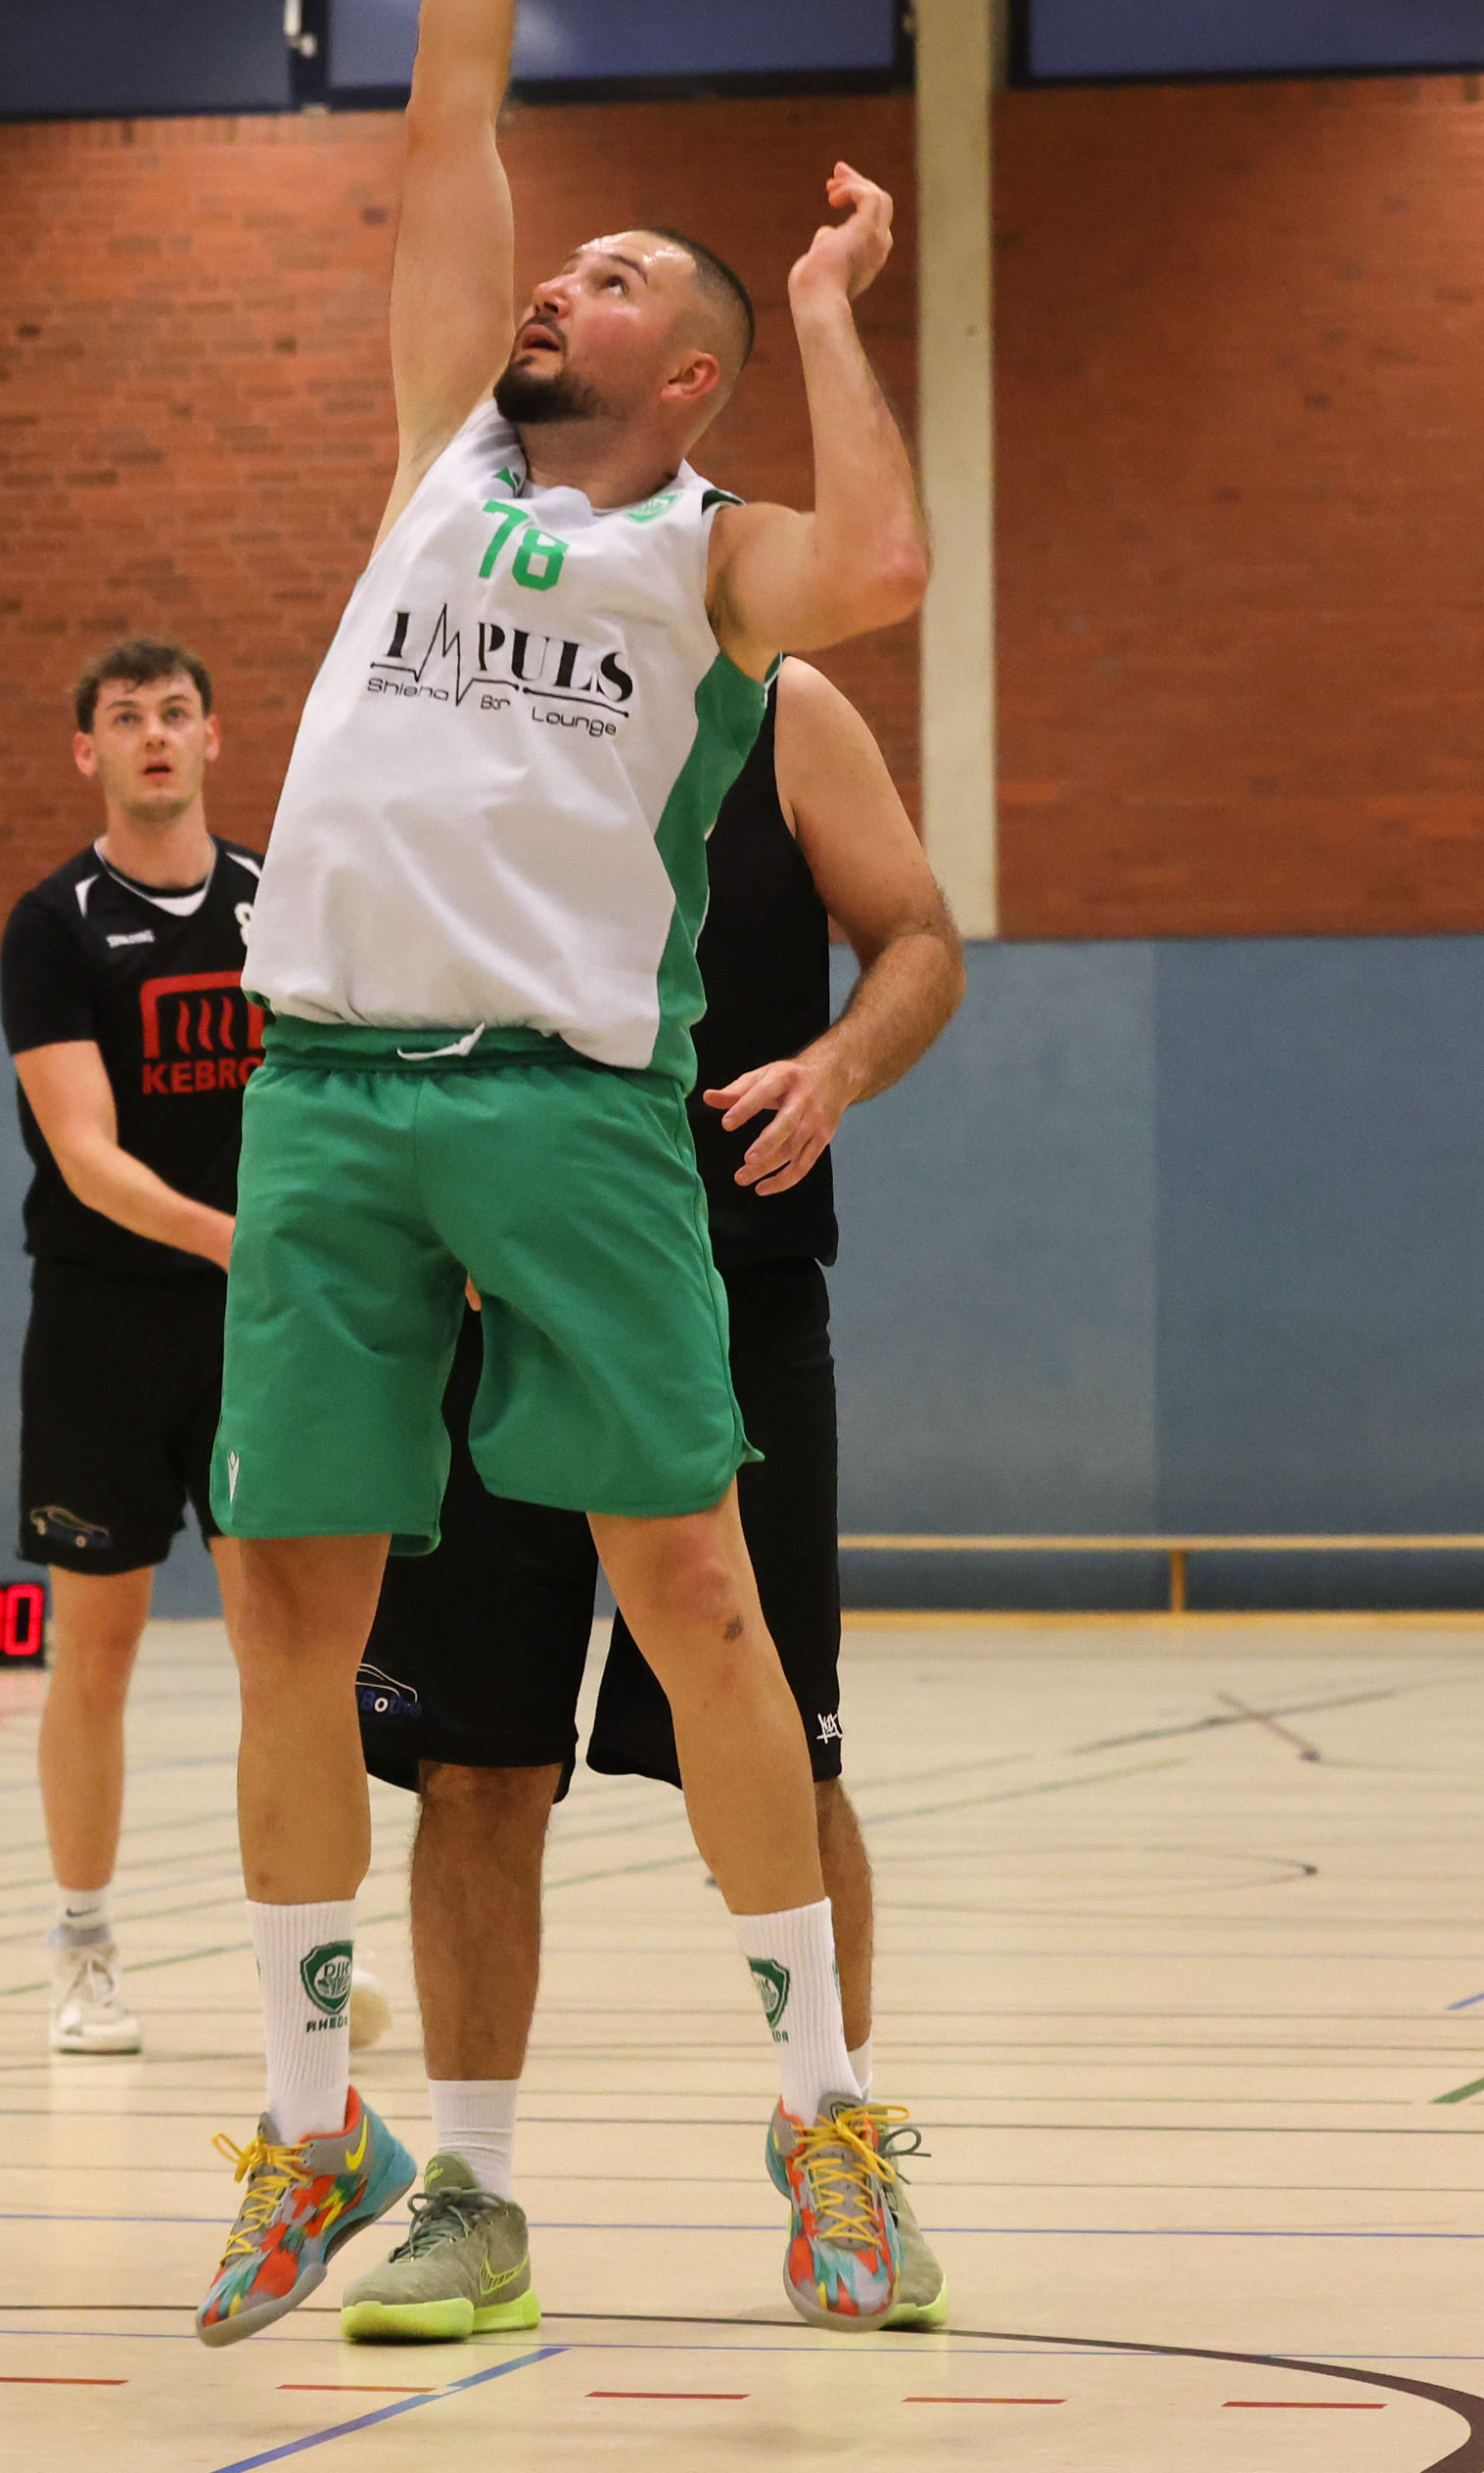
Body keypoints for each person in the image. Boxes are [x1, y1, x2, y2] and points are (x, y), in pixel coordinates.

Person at [188, 0, 939, 2350]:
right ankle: (318, 2131)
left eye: (609, 277)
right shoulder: (435, 454)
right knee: (288, 1614)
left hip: (565, 1110)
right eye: (559, 257)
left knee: (700, 1598)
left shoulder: (705, 553)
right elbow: (446, 110)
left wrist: (833, 310)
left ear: (685, 370)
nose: (551, 276)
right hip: (323, 1092)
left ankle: (826, 2130)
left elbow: (880, 571)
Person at [334, 652, 962, 2343]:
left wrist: (837, 1065)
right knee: (476, 1761)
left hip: (728, 1289)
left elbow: (918, 935)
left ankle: (830, 2128)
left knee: (789, 1746)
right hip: (493, 1294)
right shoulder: (449, 691)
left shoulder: (784, 709)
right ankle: (469, 2190)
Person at [0, 635, 263, 2059]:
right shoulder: (53, 925)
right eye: (123, 716)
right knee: (91, 1651)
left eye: (173, 711)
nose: (151, 733)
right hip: (103, 1327)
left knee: (282, 1650)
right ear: (85, 751)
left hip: (260, 1334)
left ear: (212, 736)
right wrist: (237, 1240)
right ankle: (83, 1945)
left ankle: (300, 1952)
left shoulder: (281, 901)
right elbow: (87, 1156)